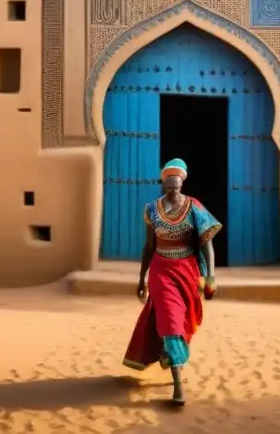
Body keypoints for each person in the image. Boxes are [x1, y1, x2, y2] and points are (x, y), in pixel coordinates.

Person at [122, 158, 222, 405]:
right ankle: (178, 387)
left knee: (182, 320)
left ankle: (172, 358)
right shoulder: (152, 209)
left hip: (186, 272)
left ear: (182, 184)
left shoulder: (195, 208)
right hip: (160, 270)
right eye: (169, 185)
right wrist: (141, 278)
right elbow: (149, 246)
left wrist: (210, 276)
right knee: (169, 319)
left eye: (177, 185)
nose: (173, 190)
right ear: (163, 184)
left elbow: (207, 245)